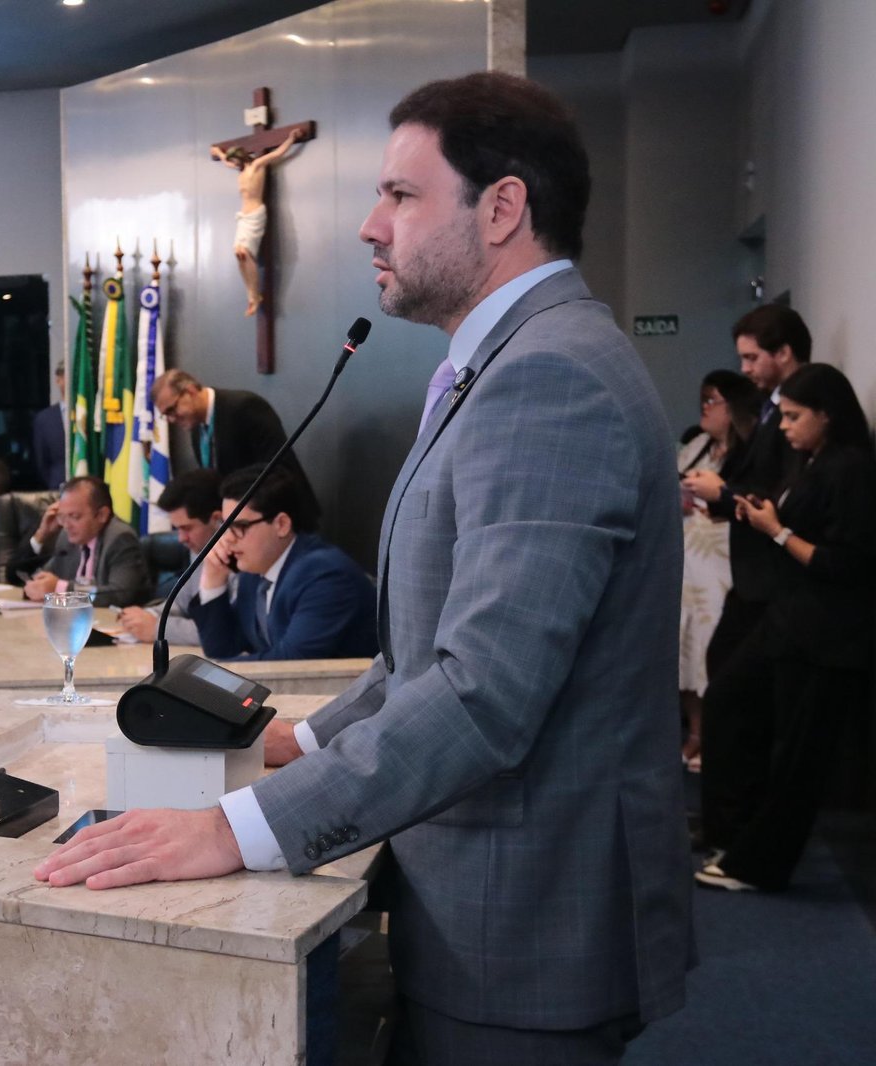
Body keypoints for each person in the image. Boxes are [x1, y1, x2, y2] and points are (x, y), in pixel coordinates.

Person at [38, 71, 690, 1063]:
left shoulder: (548, 378)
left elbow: (483, 692)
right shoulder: (506, 363)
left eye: (399, 194)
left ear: (502, 208)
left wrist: (236, 828)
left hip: (528, 917)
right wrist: (298, 740)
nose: (367, 226)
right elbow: (427, 650)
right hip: (492, 895)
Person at [696, 364, 876, 893]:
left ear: (827, 415)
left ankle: (758, 864)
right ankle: (733, 836)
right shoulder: (813, 461)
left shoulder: (851, 470)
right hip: (792, 619)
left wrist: (775, 531)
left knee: (797, 758)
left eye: (795, 417)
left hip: (828, 634)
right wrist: (756, 513)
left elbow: (845, 562)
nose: (786, 427)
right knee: (728, 700)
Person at [682, 305, 809, 703]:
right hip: (752, 575)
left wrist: (723, 492)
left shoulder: (791, 414)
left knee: (730, 692)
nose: (745, 369)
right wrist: (721, 499)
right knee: (723, 677)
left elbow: (783, 491)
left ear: (783, 353)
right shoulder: (771, 407)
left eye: (752, 357)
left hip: (772, 576)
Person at [189, 466, 377, 661]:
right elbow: (223, 649)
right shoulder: (254, 573)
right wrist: (212, 579)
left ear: (282, 524)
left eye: (240, 526)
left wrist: (211, 671)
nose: (227, 538)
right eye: (225, 526)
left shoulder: (324, 575)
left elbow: (292, 660)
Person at [676, 370, 759, 768]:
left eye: (713, 401)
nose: (704, 408)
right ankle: (695, 730)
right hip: (687, 554)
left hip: (723, 557)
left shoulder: (751, 450)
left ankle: (716, 735)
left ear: (733, 408)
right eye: (703, 400)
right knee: (684, 643)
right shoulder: (696, 446)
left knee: (713, 644)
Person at [150, 368, 317, 511]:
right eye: (166, 415)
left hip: (282, 517)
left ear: (191, 391)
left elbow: (278, 470)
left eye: (172, 409)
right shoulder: (196, 428)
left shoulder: (245, 407)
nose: (171, 419)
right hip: (241, 522)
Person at [116, 469, 222, 645]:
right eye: (177, 529)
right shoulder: (200, 549)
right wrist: (147, 615)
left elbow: (224, 632)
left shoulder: (244, 558)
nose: (181, 538)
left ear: (217, 519)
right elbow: (181, 604)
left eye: (187, 528)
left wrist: (157, 628)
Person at [16, 476, 149, 608]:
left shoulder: (120, 538)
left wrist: (61, 588)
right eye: (62, 517)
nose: (66, 525)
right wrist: (41, 536)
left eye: (74, 517)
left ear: (102, 515)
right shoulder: (67, 538)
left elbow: (119, 595)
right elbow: (28, 577)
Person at [211, 127, 300, 315]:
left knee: (245, 252)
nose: (234, 164)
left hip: (255, 214)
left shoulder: (257, 165)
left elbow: (278, 153)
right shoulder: (241, 171)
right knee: (238, 253)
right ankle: (251, 294)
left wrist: (291, 139)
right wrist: (218, 152)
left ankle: (255, 294)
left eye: (236, 161)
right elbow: (225, 160)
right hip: (243, 217)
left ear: (242, 157)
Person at [31, 363, 67, 490]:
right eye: (68, 375)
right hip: (58, 487)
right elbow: (42, 462)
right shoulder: (45, 419)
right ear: (58, 380)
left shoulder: (91, 415)